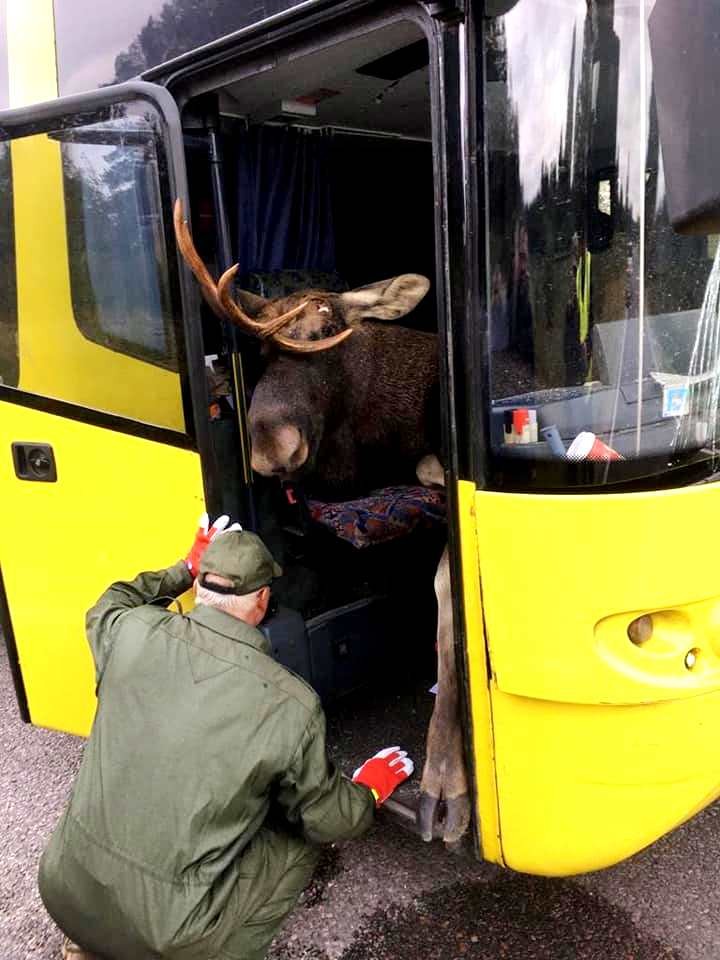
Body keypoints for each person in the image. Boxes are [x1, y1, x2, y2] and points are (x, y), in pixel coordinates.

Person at [39, 515, 414, 960]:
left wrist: (182, 565)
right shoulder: (289, 703)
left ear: (200, 586)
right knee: (300, 835)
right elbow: (330, 819)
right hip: (169, 939)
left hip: (62, 889)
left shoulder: (131, 630)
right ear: (262, 599)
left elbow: (110, 601)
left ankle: (90, 943)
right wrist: (366, 790)